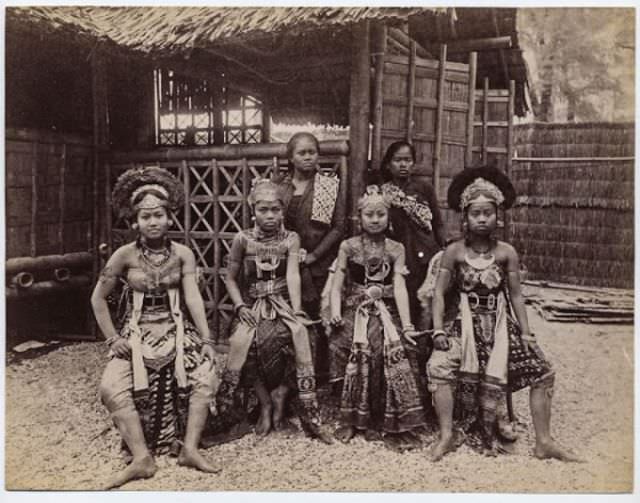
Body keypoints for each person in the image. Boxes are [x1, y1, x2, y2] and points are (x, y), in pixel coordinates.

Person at [427, 165, 581, 462]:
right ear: (465, 218)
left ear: (498, 216)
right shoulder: (455, 252)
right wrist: (438, 331)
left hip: (500, 326)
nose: (482, 218)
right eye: (476, 213)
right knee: (438, 367)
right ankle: (446, 435)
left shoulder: (506, 252)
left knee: (543, 370)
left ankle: (544, 442)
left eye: (488, 212)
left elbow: (516, 295)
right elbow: (437, 293)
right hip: (463, 324)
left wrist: (525, 333)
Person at [92, 166, 219, 490]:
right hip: (136, 332)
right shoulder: (123, 255)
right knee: (110, 386)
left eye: (159, 215)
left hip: (176, 329)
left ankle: (189, 448)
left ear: (170, 217)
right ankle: (141, 458)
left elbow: (192, 298)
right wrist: (112, 339)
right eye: (146, 216)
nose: (153, 222)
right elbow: (98, 299)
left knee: (205, 375)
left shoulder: (183, 255)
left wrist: (205, 339)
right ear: (134, 221)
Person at [212, 178, 332, 443]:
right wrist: (240, 305)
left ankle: (281, 393)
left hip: (282, 303)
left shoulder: (291, 239)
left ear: (282, 210)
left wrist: (297, 310)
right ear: (253, 209)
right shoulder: (242, 239)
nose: (269, 216)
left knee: (302, 336)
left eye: (275, 210)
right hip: (252, 304)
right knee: (243, 341)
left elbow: (292, 276)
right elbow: (230, 277)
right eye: (263, 210)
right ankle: (264, 403)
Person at [325, 185, 427, 451]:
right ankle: (350, 417)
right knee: (340, 342)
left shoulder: (396, 248)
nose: (374, 219)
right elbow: (337, 286)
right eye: (369, 214)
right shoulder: (348, 246)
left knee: (390, 345)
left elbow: (400, 287)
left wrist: (406, 324)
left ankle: (382, 417)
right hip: (355, 306)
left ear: (388, 216)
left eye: (380, 214)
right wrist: (335, 312)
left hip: (385, 306)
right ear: (360, 217)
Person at [274, 132, 347, 382]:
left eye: (312, 152)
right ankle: (291, 375)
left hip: (318, 260)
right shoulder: (280, 187)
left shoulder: (328, 185)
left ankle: (320, 374)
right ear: (291, 158)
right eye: (301, 153)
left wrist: (314, 256)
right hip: (285, 260)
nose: (307, 157)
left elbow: (338, 227)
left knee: (318, 314)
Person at [379, 141, 446, 329]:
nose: (403, 165)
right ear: (388, 164)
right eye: (398, 160)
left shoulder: (424, 188)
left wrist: (443, 250)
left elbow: (437, 222)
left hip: (425, 253)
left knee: (425, 303)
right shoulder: (383, 192)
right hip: (398, 253)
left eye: (407, 160)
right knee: (401, 301)